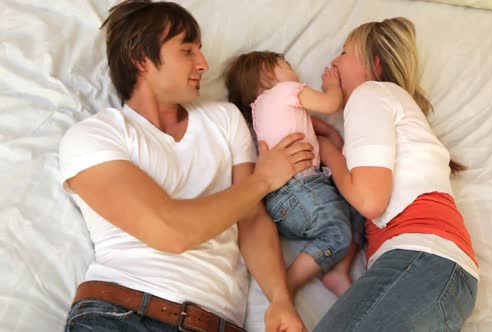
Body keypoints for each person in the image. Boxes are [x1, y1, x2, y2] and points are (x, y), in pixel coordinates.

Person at [59, 1, 310, 331]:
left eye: (201, 50)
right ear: (141, 59)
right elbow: (170, 232)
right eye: (187, 50)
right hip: (122, 314)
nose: (204, 64)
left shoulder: (224, 120)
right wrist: (262, 181)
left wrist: (280, 300)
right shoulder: (93, 136)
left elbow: (251, 217)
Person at [312, 17, 479, 331]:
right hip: (436, 272)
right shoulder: (389, 105)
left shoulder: (370, 94)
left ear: (373, 64)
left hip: (424, 261)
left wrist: (328, 151)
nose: (334, 61)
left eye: (344, 52)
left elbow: (369, 199)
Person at [224, 51, 364, 297]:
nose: (294, 72)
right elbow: (330, 104)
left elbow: (322, 130)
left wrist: (331, 139)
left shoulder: (265, 112)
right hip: (298, 189)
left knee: (356, 209)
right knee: (337, 232)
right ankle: (286, 288)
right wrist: (332, 87)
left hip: (289, 201)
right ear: (268, 72)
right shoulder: (284, 91)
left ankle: (337, 272)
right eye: (287, 65)